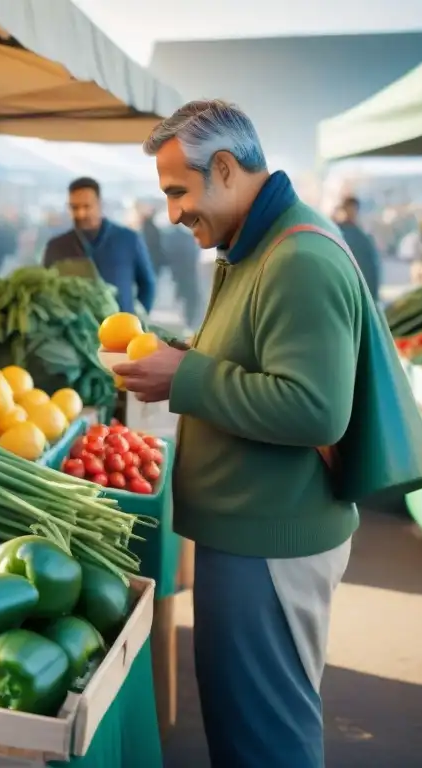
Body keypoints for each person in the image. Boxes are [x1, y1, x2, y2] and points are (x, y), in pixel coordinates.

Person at [114, 100, 359, 768]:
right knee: (243, 729)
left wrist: (185, 378)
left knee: (265, 740)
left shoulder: (297, 257)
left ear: (223, 168)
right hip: (250, 535)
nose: (171, 213)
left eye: (177, 192)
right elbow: (257, 358)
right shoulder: (255, 246)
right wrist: (180, 355)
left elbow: (315, 409)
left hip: (271, 544)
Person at [42, 177, 156, 314]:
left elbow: (147, 284)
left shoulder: (129, 239)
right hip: (73, 332)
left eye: (86, 206)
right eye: (74, 207)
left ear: (100, 204)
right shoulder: (56, 246)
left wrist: (137, 320)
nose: (80, 213)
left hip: (120, 330)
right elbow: (45, 291)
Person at [336, 195, 382, 301]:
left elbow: (371, 266)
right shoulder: (337, 231)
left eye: (353, 209)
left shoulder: (363, 235)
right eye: (348, 208)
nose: (351, 212)